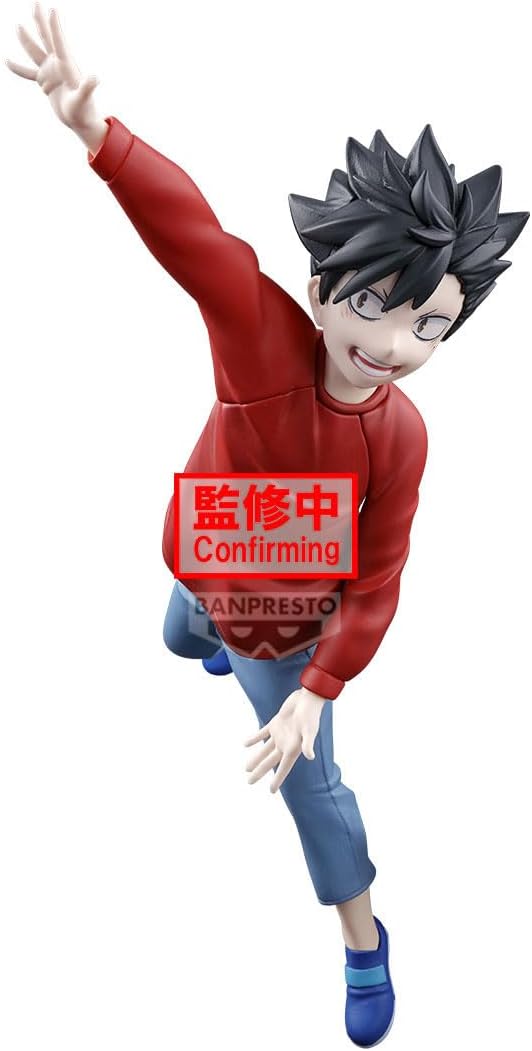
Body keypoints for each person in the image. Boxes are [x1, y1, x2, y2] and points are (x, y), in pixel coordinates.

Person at [7, 8, 528, 1046]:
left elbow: (378, 577)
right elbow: (196, 238)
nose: (396, 345)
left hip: (289, 620)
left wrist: (315, 693)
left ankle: (363, 940)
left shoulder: (402, 435)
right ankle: (203, 627)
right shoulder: (262, 338)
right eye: (376, 306)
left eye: (431, 324)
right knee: (179, 630)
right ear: (322, 291)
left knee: (310, 781)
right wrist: (101, 136)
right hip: (203, 553)